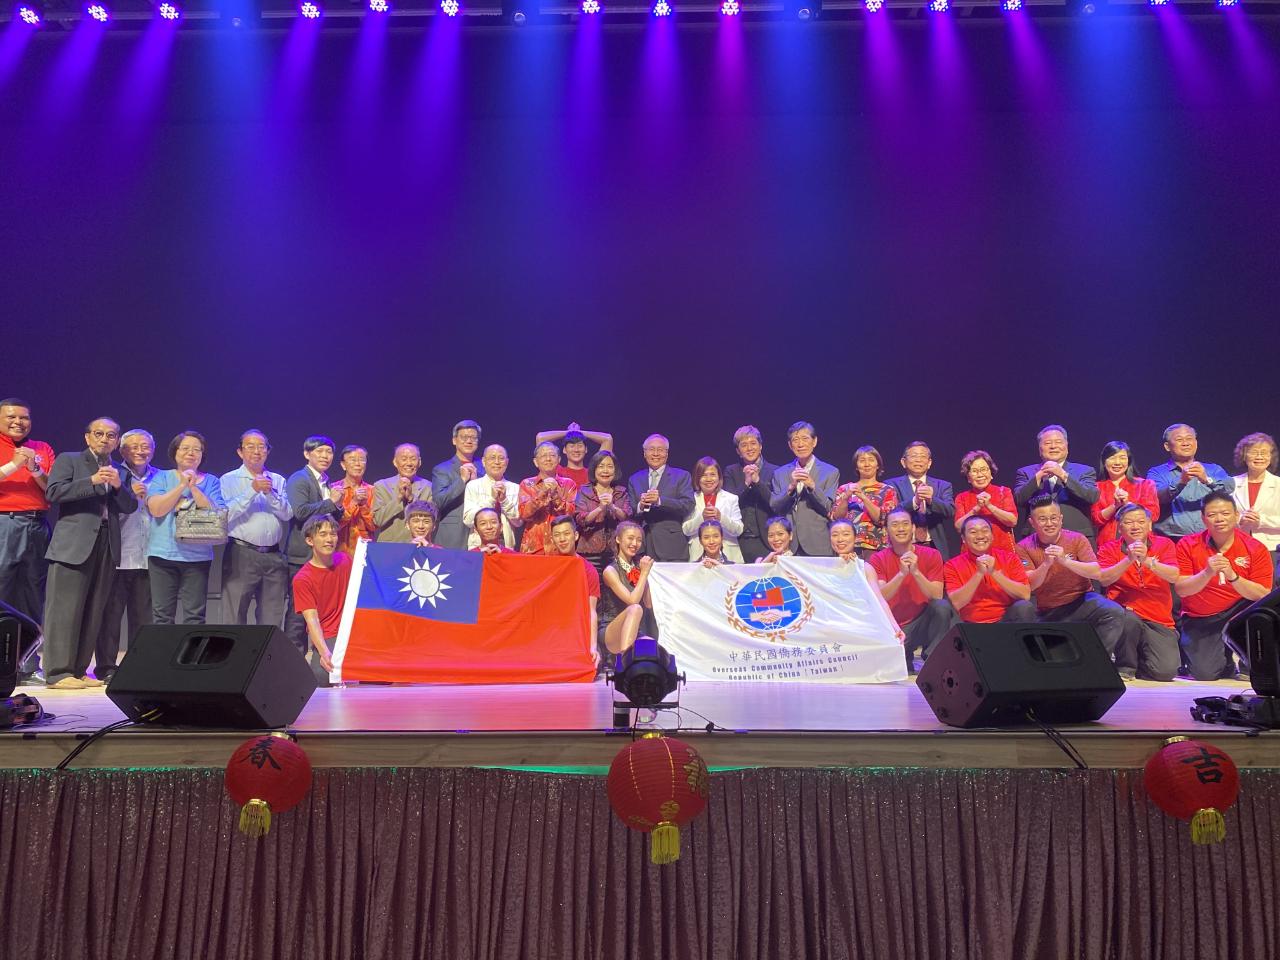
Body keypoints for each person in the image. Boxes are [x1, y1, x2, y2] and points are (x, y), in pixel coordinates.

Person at [40, 418, 137, 689]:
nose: (105, 438)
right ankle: (58, 673)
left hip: (106, 543)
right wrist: (92, 481)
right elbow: (53, 492)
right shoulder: (69, 460)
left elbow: (129, 506)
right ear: (87, 437)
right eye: (99, 433)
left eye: (111, 435)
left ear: (117, 441)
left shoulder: (120, 471)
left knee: (93, 609)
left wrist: (117, 486)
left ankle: (79, 670)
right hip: (73, 544)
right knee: (65, 610)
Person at [1016, 495, 1129, 666]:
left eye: (1054, 518)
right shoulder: (1023, 546)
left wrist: (1065, 561)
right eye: (1043, 519)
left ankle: (1096, 665)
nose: (1049, 523)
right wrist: (1046, 564)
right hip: (1049, 611)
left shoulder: (1077, 538)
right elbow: (1030, 585)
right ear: (1032, 522)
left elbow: (1095, 572)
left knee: (1113, 611)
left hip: (1082, 601)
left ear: (1061, 519)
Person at [1175, 492, 1273, 680]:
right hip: (1202, 616)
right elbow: (1181, 589)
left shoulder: (1255, 547)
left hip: (1237, 611)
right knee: (1204, 673)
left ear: (1236, 515)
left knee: (1263, 610)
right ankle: (1224, 661)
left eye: (1225, 513)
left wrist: (1233, 576)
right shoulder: (1187, 544)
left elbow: (1262, 594)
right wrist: (1206, 573)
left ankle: (1249, 663)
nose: (1219, 519)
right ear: (1203, 519)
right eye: (1212, 515)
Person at [146, 431, 227, 626]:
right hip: (162, 555)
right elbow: (156, 510)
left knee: (195, 617)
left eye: (197, 449)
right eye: (185, 448)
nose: (191, 453)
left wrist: (194, 488)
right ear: (175, 452)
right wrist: (181, 485)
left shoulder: (211, 481)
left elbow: (214, 513)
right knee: (162, 616)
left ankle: (192, 648)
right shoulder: (161, 477)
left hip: (198, 557)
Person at [96, 428, 157, 683]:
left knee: (143, 618)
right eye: (134, 446)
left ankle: (138, 666)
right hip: (118, 554)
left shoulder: (162, 477)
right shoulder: (113, 473)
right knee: (110, 617)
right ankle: (106, 667)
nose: (141, 451)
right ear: (122, 451)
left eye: (146, 446)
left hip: (149, 556)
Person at [1096, 503, 1181, 682]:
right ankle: (1125, 666)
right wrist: (1128, 559)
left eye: (1141, 522)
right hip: (1127, 613)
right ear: (1120, 528)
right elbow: (1104, 579)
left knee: (1166, 672)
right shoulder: (1108, 548)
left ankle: (1141, 660)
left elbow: (1174, 576)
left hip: (1158, 617)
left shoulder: (1164, 544)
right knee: (1127, 619)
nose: (1135, 526)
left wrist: (1147, 560)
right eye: (1129, 522)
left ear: (1149, 525)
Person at [867, 506, 956, 673]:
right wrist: (901, 574)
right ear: (886, 530)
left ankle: (932, 660)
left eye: (905, 524)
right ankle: (904, 655)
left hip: (922, 622)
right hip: (895, 628)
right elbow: (881, 597)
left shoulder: (932, 555)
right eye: (894, 525)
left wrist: (915, 572)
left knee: (942, 607)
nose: (901, 528)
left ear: (913, 528)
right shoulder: (878, 559)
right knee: (895, 668)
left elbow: (937, 594)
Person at [219, 429, 292, 628]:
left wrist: (270, 494)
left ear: (268, 451)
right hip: (241, 553)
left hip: (274, 555)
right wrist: (252, 491)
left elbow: (287, 514)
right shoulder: (228, 479)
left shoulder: (278, 480)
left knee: (271, 618)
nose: (256, 451)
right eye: (250, 447)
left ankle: (266, 650)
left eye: (261, 447)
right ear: (240, 452)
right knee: (234, 615)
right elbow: (224, 516)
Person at [284, 436, 344, 656]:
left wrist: (339, 507)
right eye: (319, 451)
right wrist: (331, 502)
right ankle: (293, 660)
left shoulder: (327, 481)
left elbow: (327, 516)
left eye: (329, 452)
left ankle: (319, 657)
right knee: (298, 614)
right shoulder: (299, 478)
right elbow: (300, 512)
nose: (325, 456)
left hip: (322, 557)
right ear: (307, 454)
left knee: (318, 610)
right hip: (302, 554)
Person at [0, 397, 54, 626]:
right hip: (4, 522)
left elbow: (52, 488)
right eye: (11, 417)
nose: (18, 422)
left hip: (37, 524)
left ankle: (30, 648)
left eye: (24, 417)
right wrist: (14, 465)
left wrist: (35, 468)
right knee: (2, 584)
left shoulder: (42, 448)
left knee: (35, 588)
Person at [292, 515, 353, 688]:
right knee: (322, 676)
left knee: (383, 673)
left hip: (353, 630)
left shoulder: (345, 560)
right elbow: (312, 620)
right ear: (310, 540)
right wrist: (324, 652)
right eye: (323, 534)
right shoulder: (302, 579)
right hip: (330, 635)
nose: (329, 539)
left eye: (333, 534)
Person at [1146, 423, 1234, 541]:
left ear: (1196, 443)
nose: (1186, 443)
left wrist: (1207, 479)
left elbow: (1230, 488)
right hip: (1172, 540)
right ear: (1167, 446)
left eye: (1189, 438)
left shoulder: (1213, 469)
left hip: (1209, 538)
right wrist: (1181, 481)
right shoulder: (1157, 472)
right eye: (1179, 440)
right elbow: (1156, 497)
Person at [1012, 425, 1099, 540]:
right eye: (1047, 443)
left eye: (1058, 442)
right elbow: (1018, 500)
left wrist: (1063, 475)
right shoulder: (1025, 472)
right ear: (1040, 449)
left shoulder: (1085, 471)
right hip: (1036, 538)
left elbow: (1091, 497)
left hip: (1077, 537)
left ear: (1066, 446)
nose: (1053, 446)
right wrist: (1038, 477)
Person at [944, 516, 1036, 624]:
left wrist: (994, 572)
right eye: (973, 532)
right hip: (971, 624)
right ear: (963, 538)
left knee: (1024, 607)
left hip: (1005, 621)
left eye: (985, 531)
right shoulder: (952, 565)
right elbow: (956, 603)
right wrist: (979, 574)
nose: (980, 536)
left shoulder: (1010, 558)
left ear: (992, 536)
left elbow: (1025, 595)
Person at [830, 518, 907, 644]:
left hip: (861, 627)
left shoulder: (865, 568)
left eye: (846, 534)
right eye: (834, 535)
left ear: (855, 538)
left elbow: (879, 600)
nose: (840, 539)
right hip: (834, 628)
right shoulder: (824, 569)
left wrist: (895, 627)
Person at [768, 421, 840, 557]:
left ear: (814, 441)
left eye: (805, 438)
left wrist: (812, 486)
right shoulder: (780, 473)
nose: (800, 444)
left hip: (818, 542)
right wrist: (790, 488)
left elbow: (829, 508)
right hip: (789, 544)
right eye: (795, 440)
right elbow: (774, 506)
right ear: (790, 445)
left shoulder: (830, 472)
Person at [626, 434, 695, 563]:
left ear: (667, 454)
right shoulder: (634, 479)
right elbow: (629, 511)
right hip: (641, 546)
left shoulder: (681, 476)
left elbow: (688, 504)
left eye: (660, 450)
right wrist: (641, 506)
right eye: (651, 449)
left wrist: (660, 501)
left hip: (671, 546)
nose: (656, 454)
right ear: (644, 453)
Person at [548, 514, 601, 673]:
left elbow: (591, 611)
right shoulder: (546, 566)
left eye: (566, 534)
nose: (562, 539)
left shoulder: (588, 570)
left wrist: (593, 646)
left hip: (576, 631)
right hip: (552, 631)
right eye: (557, 535)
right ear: (552, 539)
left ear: (576, 535)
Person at [885, 441, 956, 559]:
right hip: (902, 547)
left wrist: (931, 500)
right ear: (903, 462)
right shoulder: (891, 485)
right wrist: (915, 502)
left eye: (923, 456)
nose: (918, 460)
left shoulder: (943, 485)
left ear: (929, 463)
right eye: (914, 456)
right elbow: (890, 512)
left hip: (934, 546)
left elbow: (950, 510)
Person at [722, 426, 779, 563]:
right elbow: (729, 503)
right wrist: (746, 483)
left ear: (760, 446)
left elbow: (776, 504)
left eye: (753, 443)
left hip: (767, 539)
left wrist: (758, 482)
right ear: (738, 451)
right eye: (744, 445)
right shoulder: (731, 471)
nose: (749, 448)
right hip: (739, 540)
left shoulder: (775, 471)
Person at [829, 446, 898, 557]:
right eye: (862, 461)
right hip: (848, 548)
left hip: (877, 548)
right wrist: (846, 497)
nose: (867, 464)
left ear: (878, 465)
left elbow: (883, 520)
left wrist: (864, 498)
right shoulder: (844, 489)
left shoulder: (888, 490)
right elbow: (837, 518)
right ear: (856, 466)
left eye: (871, 460)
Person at [599, 520, 655, 658]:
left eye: (639, 540)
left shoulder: (638, 568)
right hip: (611, 630)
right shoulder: (610, 571)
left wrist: (644, 576)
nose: (635, 543)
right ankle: (624, 663)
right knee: (635, 608)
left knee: (652, 647)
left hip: (634, 629)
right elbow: (632, 601)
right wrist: (644, 574)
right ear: (618, 539)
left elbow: (648, 604)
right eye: (630, 538)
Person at [1091, 441, 1159, 545]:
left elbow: (1153, 515)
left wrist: (1127, 504)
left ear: (1128, 461)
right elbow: (1095, 519)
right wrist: (1115, 505)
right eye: (1112, 458)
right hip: (1108, 544)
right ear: (1104, 462)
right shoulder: (1096, 487)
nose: (1117, 462)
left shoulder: (1145, 485)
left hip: (1140, 543)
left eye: (1122, 458)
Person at [574, 451, 632, 574]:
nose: (605, 470)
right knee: (591, 584)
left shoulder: (621, 492)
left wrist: (612, 507)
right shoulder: (584, 491)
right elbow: (580, 519)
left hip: (616, 552)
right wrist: (600, 508)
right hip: (590, 552)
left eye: (610, 466)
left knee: (616, 585)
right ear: (594, 469)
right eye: (601, 466)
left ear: (615, 470)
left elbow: (627, 518)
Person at [1231, 432, 1280, 573]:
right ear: (1244, 456)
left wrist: (1261, 521)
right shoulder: (1232, 483)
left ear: (1271, 457)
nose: (1259, 457)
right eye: (1254, 452)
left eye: (1264, 453)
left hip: (1272, 549)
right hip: (1239, 546)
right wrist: (1240, 519)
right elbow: (1224, 515)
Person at [518, 442, 578, 555]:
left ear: (559, 459)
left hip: (560, 547)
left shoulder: (568, 484)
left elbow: (571, 514)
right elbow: (524, 514)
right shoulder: (527, 484)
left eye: (552, 455)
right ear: (536, 462)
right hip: (534, 548)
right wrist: (542, 493)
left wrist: (555, 495)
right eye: (543, 456)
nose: (548, 459)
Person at [953, 450, 1017, 553]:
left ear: (991, 473)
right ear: (968, 477)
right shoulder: (962, 497)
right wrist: (976, 508)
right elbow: (959, 527)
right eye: (974, 471)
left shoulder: (1004, 492)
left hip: (1002, 552)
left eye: (983, 469)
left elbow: (1012, 521)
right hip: (971, 554)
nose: (980, 474)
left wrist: (990, 506)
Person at [431, 420, 482, 550]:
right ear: (454, 440)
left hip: (481, 531)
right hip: (454, 532)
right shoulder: (442, 469)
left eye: (473, 438)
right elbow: (438, 502)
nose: (469, 441)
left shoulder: (484, 467)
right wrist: (462, 480)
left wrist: (476, 483)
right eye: (464, 437)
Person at [682, 457, 744, 563]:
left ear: (719, 477)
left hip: (729, 555)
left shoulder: (731, 498)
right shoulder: (690, 499)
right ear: (697, 478)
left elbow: (738, 530)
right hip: (698, 556)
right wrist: (702, 518)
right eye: (704, 475)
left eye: (712, 474)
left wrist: (721, 518)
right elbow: (686, 530)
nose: (709, 479)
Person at [463, 445, 522, 550]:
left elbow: (518, 522)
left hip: (506, 546)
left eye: (501, 458)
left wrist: (504, 500)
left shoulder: (515, 488)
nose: (497, 462)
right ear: (483, 461)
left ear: (507, 462)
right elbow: (468, 520)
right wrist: (491, 499)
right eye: (492, 458)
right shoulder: (473, 486)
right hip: (478, 546)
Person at [372, 443, 433, 543]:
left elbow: (431, 519)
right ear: (395, 462)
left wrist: (411, 498)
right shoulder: (381, 486)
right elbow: (377, 520)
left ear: (419, 462)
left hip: (419, 543)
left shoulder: (428, 487)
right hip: (389, 545)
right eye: (404, 459)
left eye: (413, 459)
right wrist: (398, 498)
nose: (409, 463)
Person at [535, 423, 615, 488]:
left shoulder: (593, 473)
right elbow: (540, 438)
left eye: (580, 446)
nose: (576, 450)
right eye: (572, 446)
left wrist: (578, 432)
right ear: (564, 450)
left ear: (586, 449)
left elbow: (607, 439)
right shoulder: (557, 471)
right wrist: (569, 432)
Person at [331, 445, 376, 553]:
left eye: (362, 460)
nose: (358, 464)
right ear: (343, 465)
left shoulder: (372, 490)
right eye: (352, 460)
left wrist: (363, 506)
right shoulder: (334, 489)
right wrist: (354, 502)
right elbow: (334, 525)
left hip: (364, 551)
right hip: (339, 550)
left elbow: (373, 526)